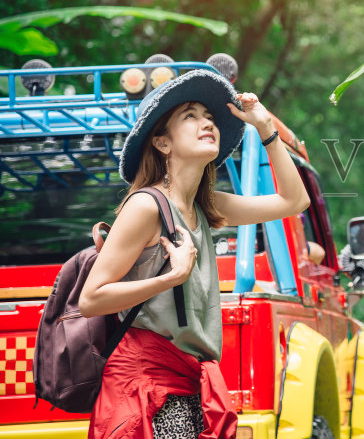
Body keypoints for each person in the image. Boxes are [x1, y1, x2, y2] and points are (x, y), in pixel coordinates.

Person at [78, 69, 310, 438]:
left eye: (209, 117)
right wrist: (171, 277)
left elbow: (295, 201)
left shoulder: (207, 207)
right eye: (190, 116)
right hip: (148, 393)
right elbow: (91, 299)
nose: (207, 123)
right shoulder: (146, 207)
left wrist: (266, 129)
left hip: (189, 388)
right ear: (163, 143)